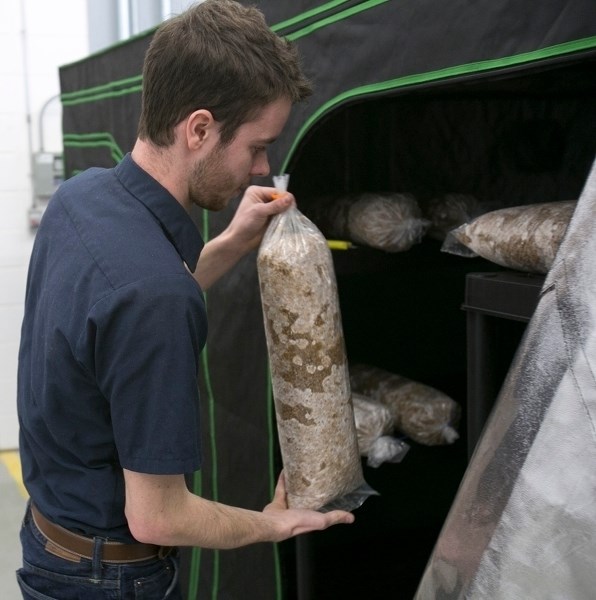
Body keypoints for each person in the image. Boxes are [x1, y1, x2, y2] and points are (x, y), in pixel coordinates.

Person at [15, 1, 355, 598]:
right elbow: (159, 516)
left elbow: (119, 321)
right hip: (109, 578)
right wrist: (272, 524)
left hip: (49, 544)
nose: (262, 167)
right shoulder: (155, 296)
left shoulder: (80, 198)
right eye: (255, 147)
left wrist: (227, 245)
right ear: (198, 129)